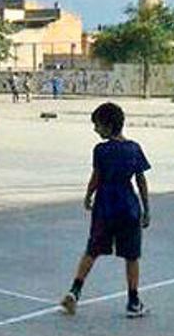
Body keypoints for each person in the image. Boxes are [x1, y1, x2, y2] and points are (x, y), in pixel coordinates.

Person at [60, 102, 151, 319]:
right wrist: (146, 209)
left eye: (98, 126)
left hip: (105, 207)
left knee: (92, 250)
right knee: (131, 256)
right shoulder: (134, 148)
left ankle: (75, 291)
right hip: (128, 207)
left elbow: (96, 177)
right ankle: (133, 301)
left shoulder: (101, 150)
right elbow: (141, 181)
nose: (95, 130)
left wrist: (88, 195)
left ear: (109, 126)